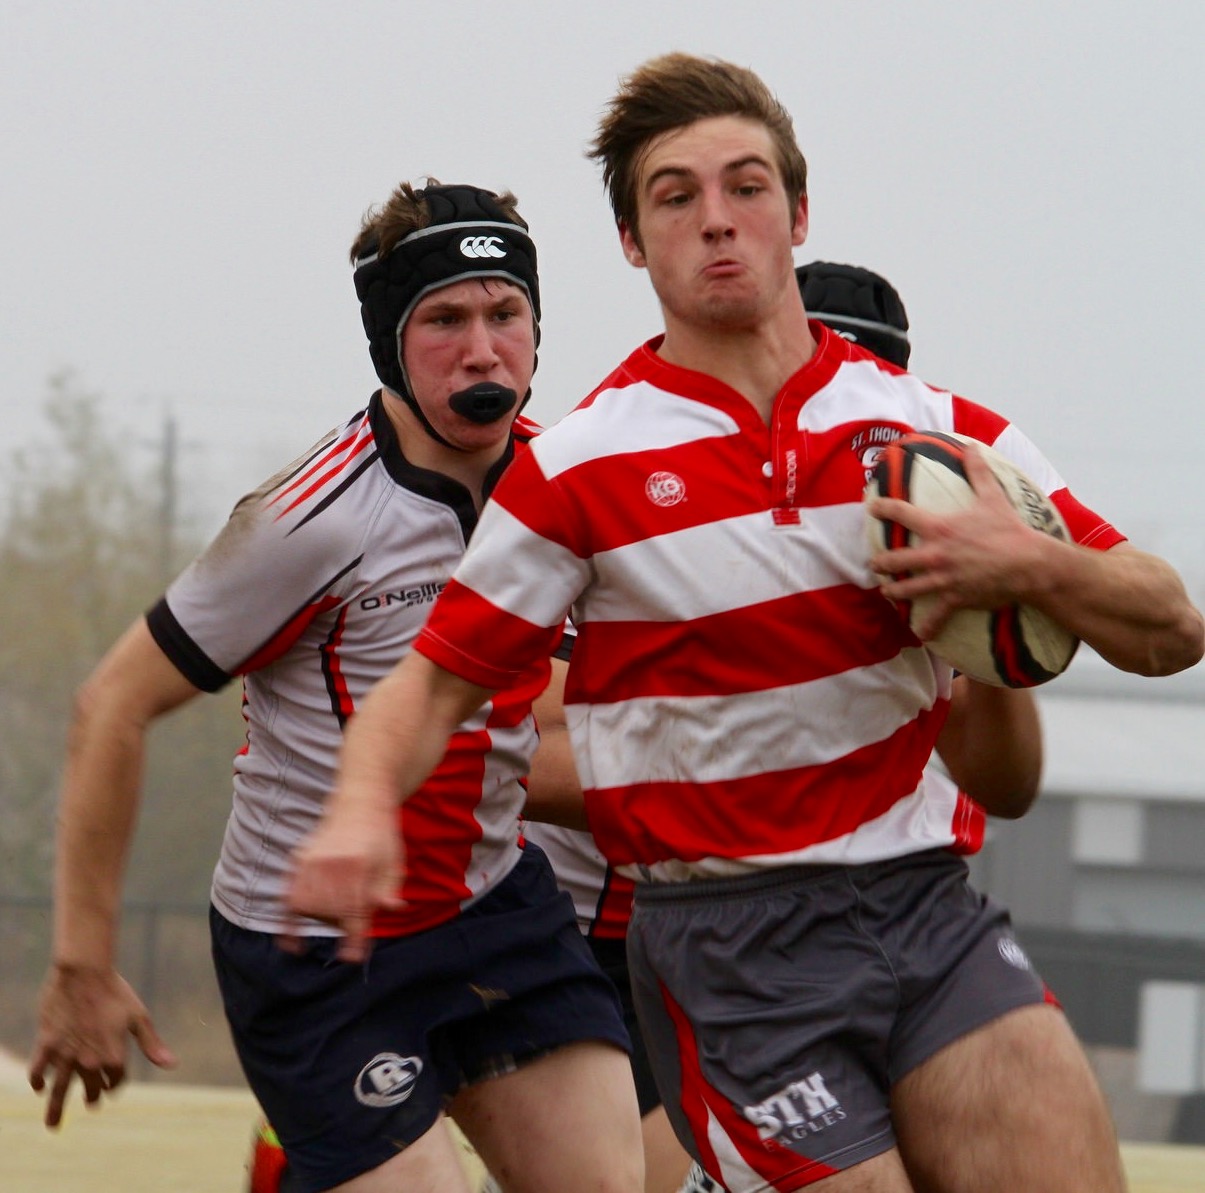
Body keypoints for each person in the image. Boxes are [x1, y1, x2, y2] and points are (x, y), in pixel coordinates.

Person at [284, 54, 1205, 1193]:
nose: (717, 221)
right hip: (728, 944)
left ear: (798, 211)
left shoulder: (933, 432)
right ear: (631, 240)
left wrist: (1025, 562)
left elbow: (1169, 625)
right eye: (675, 196)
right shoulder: (576, 468)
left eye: (747, 186)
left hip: (926, 908)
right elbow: (427, 689)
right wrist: (356, 813)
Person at [27, 179, 644, 1193]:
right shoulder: (308, 520)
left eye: (505, 313)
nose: (482, 348)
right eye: (443, 319)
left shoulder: (567, 486)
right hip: (313, 949)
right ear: (388, 343)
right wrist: (80, 964)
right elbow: (112, 704)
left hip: (497, 910)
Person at [523, 258, 1042, 1193]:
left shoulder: (926, 571)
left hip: (905, 942)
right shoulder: (652, 534)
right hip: (687, 950)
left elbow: (1005, 785)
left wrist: (995, 641)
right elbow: (521, 740)